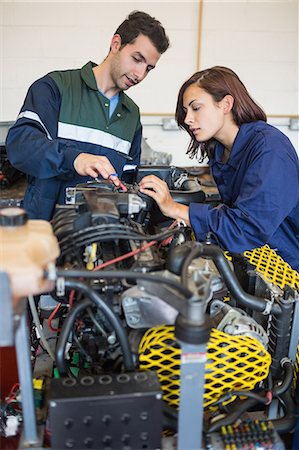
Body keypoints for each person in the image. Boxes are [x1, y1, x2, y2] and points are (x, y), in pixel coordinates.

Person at [6, 11, 169, 220]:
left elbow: (127, 182)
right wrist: (74, 158)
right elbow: (21, 145)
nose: (140, 74)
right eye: (137, 59)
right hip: (44, 231)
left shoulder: (132, 116)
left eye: (149, 68)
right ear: (116, 44)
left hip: (101, 237)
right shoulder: (55, 88)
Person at [139, 66, 299, 271]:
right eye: (186, 111)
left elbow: (246, 228)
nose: (187, 119)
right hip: (252, 258)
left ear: (226, 104)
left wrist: (175, 208)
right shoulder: (221, 151)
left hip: (286, 270)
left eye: (196, 108)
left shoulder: (270, 149)